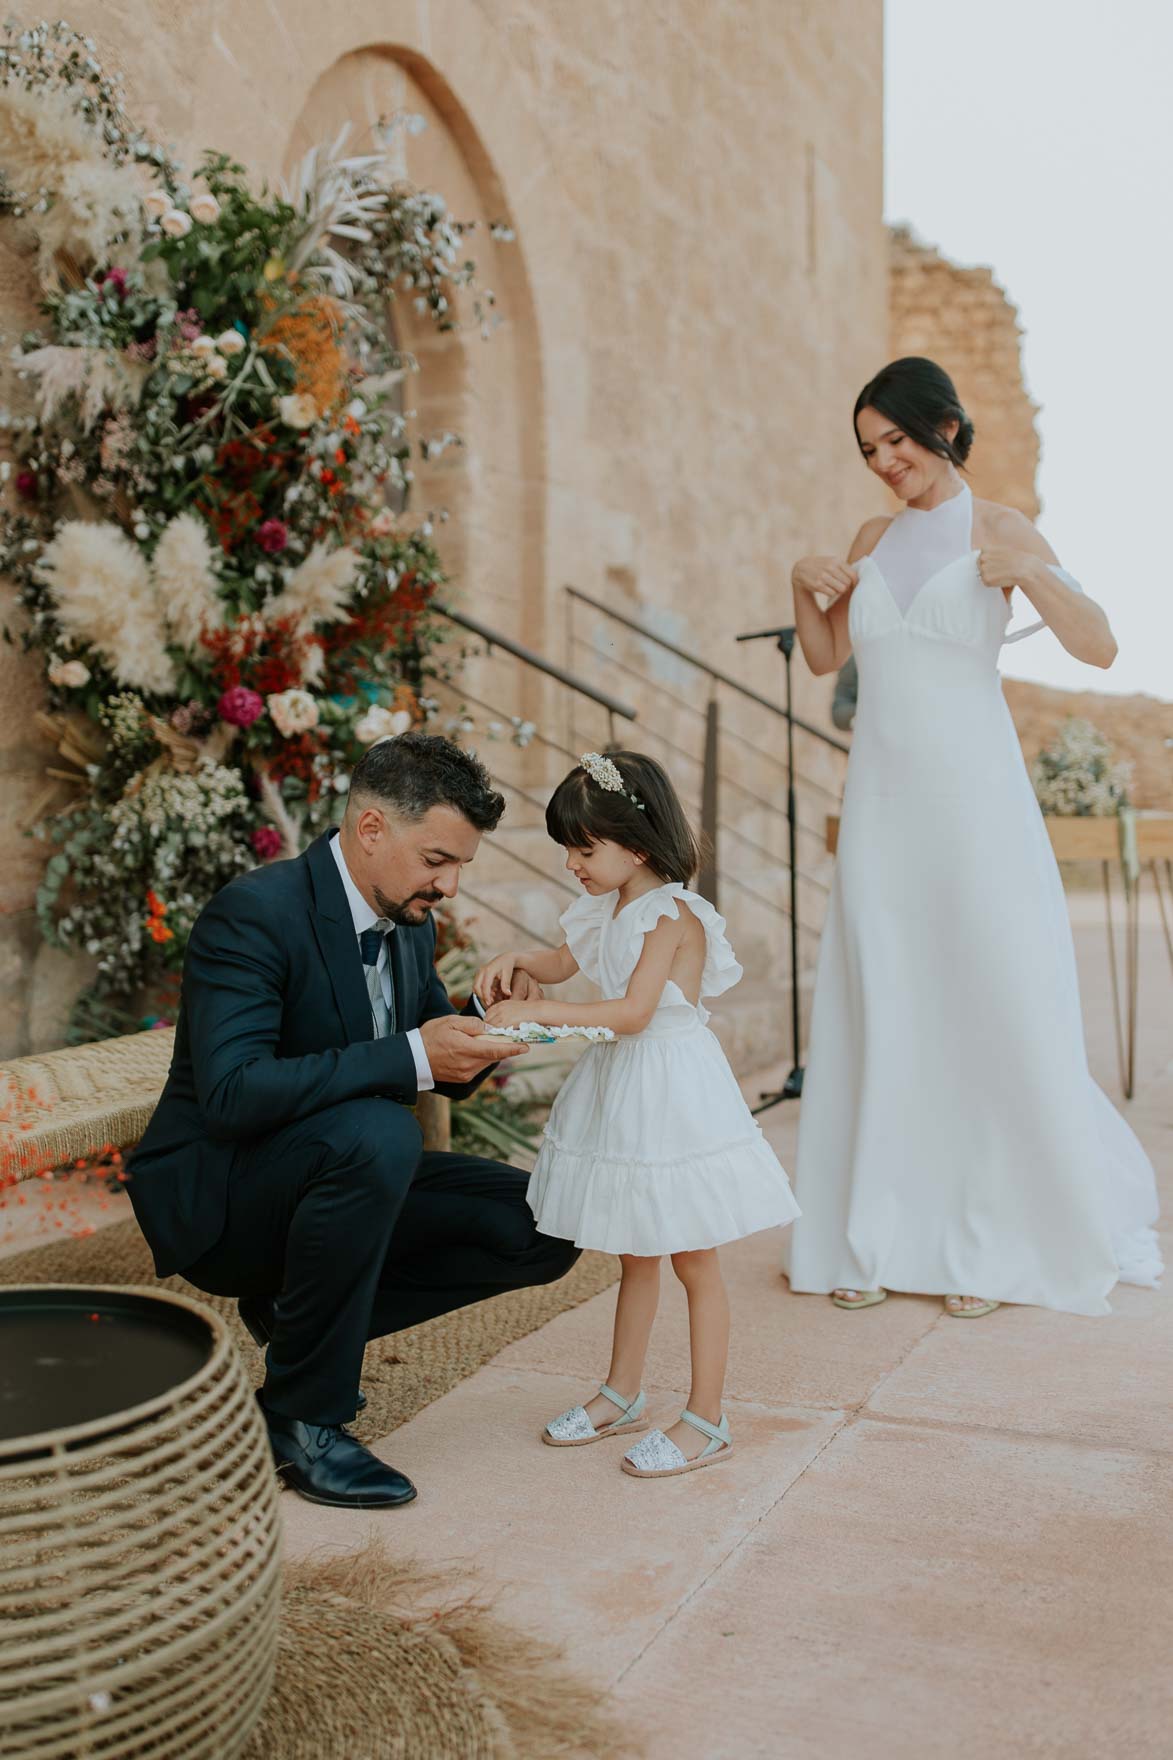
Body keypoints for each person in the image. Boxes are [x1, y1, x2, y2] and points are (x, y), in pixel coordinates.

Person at [784, 356, 1161, 1317]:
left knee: (983, 992)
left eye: (897, 442)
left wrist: (1031, 571)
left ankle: (988, 1237)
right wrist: (802, 585)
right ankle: (876, 1229)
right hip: (882, 803)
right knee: (889, 992)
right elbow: (827, 653)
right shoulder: (870, 535)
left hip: (975, 804)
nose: (884, 463)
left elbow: (1100, 645)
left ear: (943, 426)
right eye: (869, 450)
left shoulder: (998, 529)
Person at [128, 733, 580, 1509]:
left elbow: (430, 1048)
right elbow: (233, 1093)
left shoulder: (412, 924)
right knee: (380, 1131)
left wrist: (486, 1025)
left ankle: (294, 1317)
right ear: (371, 829)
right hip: (226, 1197)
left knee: (547, 1222)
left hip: (341, 1177)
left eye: (462, 865)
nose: (450, 885)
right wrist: (413, 1053)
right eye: (438, 859)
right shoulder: (255, 913)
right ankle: (302, 1415)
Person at [474, 751, 799, 1478]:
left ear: (637, 844)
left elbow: (630, 1011)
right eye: (567, 848)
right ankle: (622, 1391)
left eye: (584, 848)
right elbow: (565, 960)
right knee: (635, 1249)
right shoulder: (607, 905)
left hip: (669, 1090)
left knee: (691, 1256)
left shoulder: (671, 914)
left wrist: (539, 1015)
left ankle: (707, 1417)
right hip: (622, 1086)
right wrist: (516, 961)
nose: (572, 864)